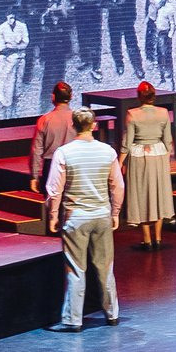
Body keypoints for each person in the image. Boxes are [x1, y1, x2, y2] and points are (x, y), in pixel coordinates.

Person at [42, 106, 124, 330]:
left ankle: (72, 320)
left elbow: (54, 189)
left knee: (76, 269)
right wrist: (115, 212)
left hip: (75, 217)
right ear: (94, 126)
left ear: (73, 126)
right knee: (105, 266)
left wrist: (52, 215)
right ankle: (112, 313)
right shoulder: (107, 151)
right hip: (101, 215)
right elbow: (118, 186)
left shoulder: (64, 153)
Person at [121, 81, 174, 248]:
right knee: (158, 195)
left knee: (141, 195)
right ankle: (158, 238)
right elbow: (167, 140)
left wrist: (119, 162)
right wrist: (167, 159)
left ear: (139, 97)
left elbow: (127, 142)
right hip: (159, 155)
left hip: (139, 156)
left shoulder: (132, 114)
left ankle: (147, 239)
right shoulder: (163, 113)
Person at [30, 80, 76, 190]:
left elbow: (36, 150)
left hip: (51, 167)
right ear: (71, 97)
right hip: (74, 166)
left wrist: (34, 176)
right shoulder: (77, 118)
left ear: (53, 97)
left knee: (52, 205)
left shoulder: (45, 120)